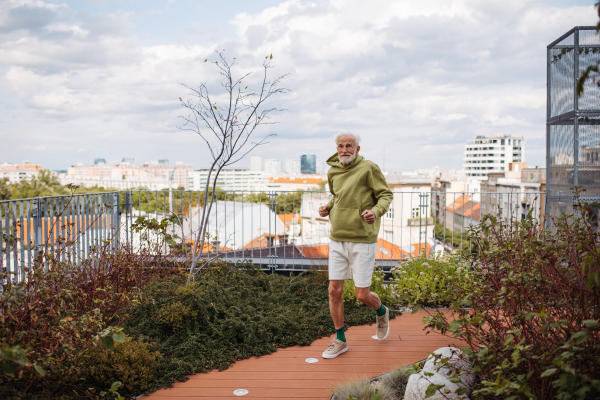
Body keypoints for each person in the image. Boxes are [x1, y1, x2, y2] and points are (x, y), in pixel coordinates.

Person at [319, 132, 393, 359]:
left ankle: (381, 311)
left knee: (361, 295)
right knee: (334, 290)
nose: (344, 150)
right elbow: (337, 196)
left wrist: (376, 211)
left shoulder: (369, 168)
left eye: (348, 146)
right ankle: (340, 340)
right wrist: (327, 208)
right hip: (337, 237)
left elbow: (385, 195)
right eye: (340, 146)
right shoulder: (333, 171)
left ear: (357, 149)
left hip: (362, 239)